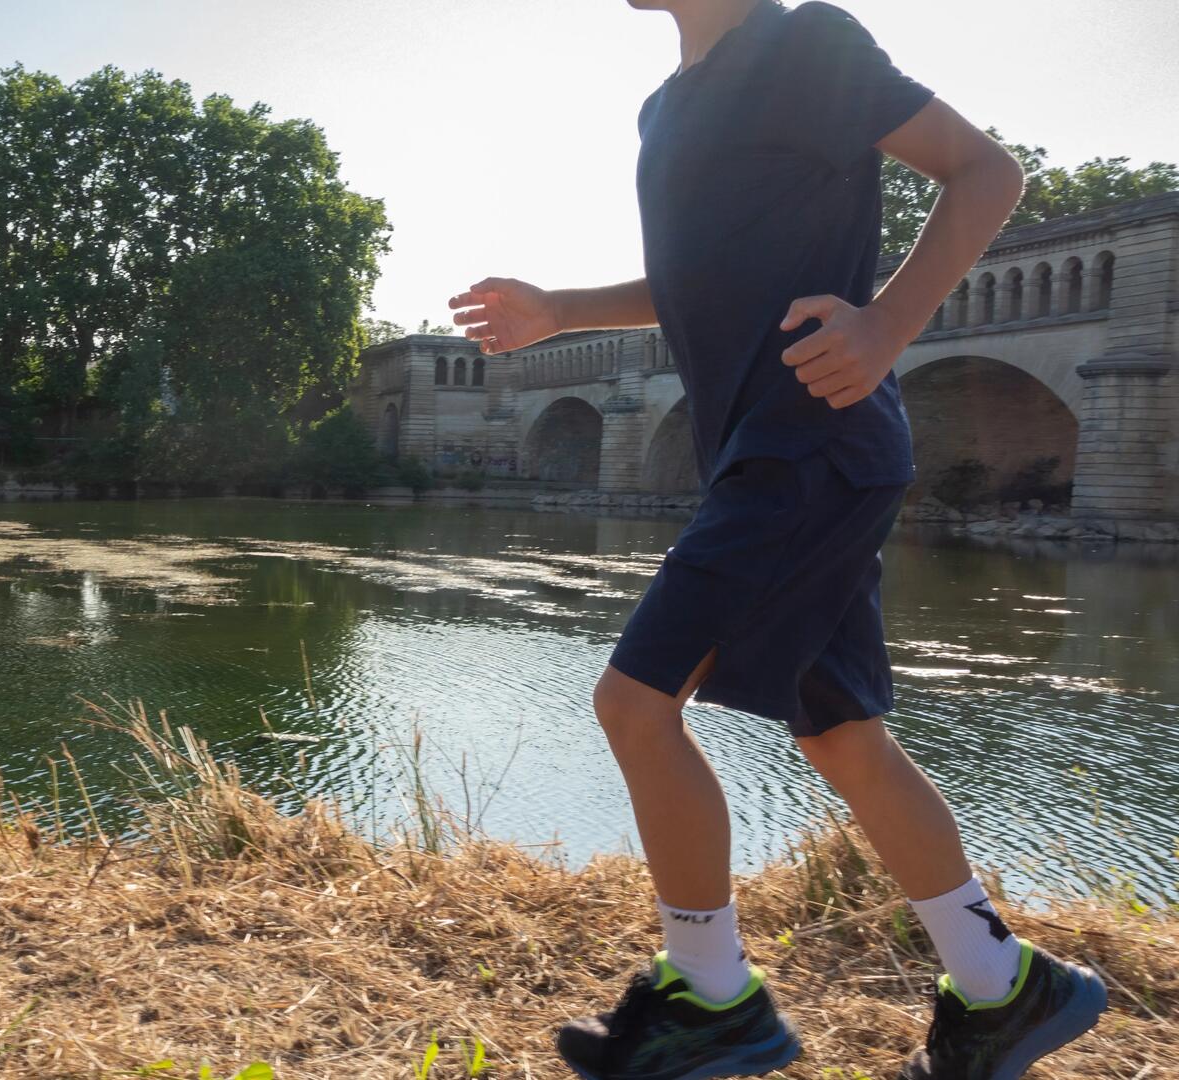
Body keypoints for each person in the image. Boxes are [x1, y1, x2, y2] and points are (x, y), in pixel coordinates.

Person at [448, 2, 1109, 1077]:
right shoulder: (667, 106)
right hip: (773, 451)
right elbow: (704, 279)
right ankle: (1002, 986)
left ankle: (712, 996)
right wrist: (557, 309)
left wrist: (888, 325)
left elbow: (986, 171)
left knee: (633, 702)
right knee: (844, 736)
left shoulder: (804, 45)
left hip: (812, 439)